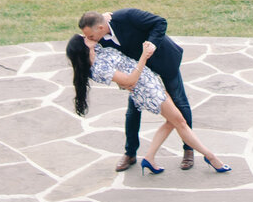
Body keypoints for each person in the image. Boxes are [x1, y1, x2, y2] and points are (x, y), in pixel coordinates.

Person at [65, 28, 230, 175]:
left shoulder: (98, 50)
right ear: (83, 48)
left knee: (172, 122)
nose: (88, 36)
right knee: (180, 122)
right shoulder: (98, 68)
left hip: (150, 81)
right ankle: (211, 157)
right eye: (84, 38)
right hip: (147, 90)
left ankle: (149, 158)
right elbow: (130, 81)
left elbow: (103, 24)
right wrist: (144, 56)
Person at [78, 8, 194, 171]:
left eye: (90, 36)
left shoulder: (127, 16)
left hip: (163, 60)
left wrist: (152, 44)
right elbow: (81, 44)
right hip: (138, 75)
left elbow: (160, 22)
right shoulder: (98, 36)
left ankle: (189, 149)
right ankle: (130, 153)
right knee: (132, 112)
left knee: (179, 101)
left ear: (101, 27)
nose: (89, 39)